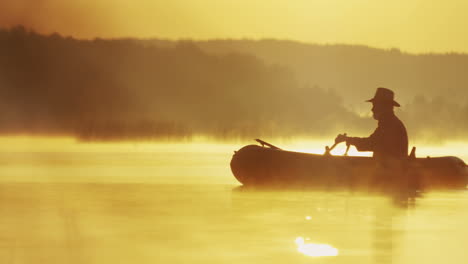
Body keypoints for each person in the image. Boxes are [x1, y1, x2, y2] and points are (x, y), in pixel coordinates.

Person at [335, 87, 408, 160]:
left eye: (375, 105)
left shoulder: (390, 124)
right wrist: (349, 139)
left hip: (391, 169)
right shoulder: (390, 122)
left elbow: (371, 143)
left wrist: (348, 139)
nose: (372, 109)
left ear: (384, 106)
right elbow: (373, 142)